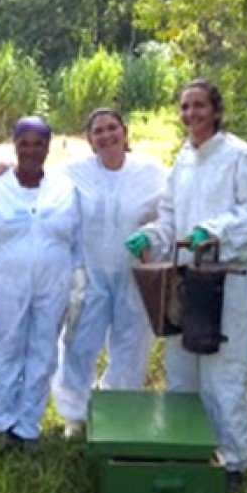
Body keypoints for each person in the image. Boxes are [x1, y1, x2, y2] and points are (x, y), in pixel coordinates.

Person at [125, 79, 247, 493]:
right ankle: (189, 447)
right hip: (185, 280)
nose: (190, 114)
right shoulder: (184, 160)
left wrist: (212, 232)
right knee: (181, 367)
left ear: (216, 110)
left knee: (223, 373)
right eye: (184, 107)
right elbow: (170, 217)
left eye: (198, 106)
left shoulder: (239, 158)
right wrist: (152, 235)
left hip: (227, 283)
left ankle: (232, 461)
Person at [0, 116, 81, 450]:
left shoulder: (64, 189)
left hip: (53, 284)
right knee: (7, 352)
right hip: (6, 285)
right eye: (23, 143)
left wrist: (78, 285)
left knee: (43, 353)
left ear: (48, 146)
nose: (31, 150)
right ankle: (3, 423)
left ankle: (28, 427)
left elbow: (77, 239)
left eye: (38, 143)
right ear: (14, 146)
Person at [51, 109, 167, 438]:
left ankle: (119, 409)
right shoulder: (73, 173)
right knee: (78, 342)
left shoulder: (152, 172)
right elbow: (41, 191)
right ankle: (75, 414)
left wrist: (152, 234)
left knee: (131, 345)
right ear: (89, 141)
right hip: (90, 273)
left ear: (125, 132)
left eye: (112, 128)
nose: (107, 136)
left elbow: (171, 213)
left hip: (134, 274)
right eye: (98, 131)